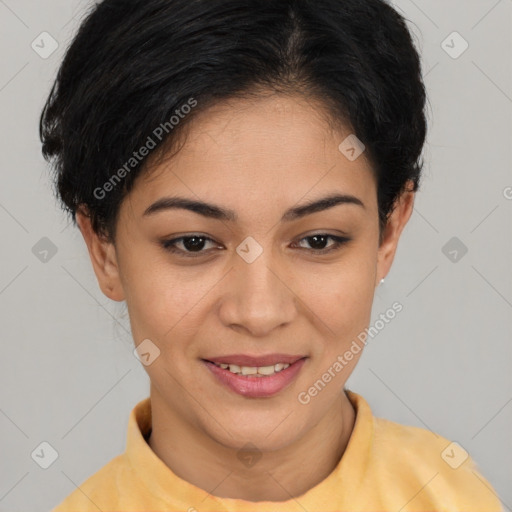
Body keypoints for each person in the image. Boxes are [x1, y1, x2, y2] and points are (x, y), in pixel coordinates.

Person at [40, 0, 503, 510]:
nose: (259, 313)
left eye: (318, 240)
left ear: (387, 233)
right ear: (103, 249)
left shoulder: (456, 496)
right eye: (193, 242)